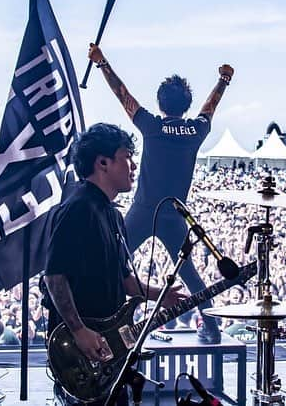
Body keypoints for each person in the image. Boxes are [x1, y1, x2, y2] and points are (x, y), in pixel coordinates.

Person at [87, 44, 234, 343]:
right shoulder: (196, 130)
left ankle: (104, 324)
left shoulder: (152, 126)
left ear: (160, 103)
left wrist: (102, 63)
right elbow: (211, 107)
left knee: (111, 260)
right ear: (186, 105)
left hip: (143, 211)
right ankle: (212, 328)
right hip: (174, 214)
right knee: (191, 275)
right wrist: (223, 80)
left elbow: (122, 95)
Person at [42, 123, 187, 405]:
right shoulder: (78, 208)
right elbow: (54, 276)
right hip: (82, 349)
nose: (133, 165)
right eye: (127, 157)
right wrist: (79, 330)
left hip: (110, 345)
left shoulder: (112, 215)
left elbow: (126, 281)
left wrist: (161, 295)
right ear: (103, 163)